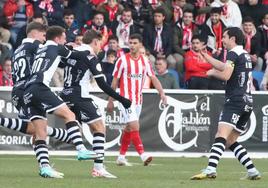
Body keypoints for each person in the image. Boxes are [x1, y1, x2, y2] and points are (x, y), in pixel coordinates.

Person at [23, 26, 97, 178]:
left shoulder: (42, 48)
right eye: (63, 38)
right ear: (57, 39)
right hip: (40, 87)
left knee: (40, 132)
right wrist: (87, 50)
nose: (65, 41)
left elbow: (59, 56)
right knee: (69, 115)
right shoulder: (57, 47)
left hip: (27, 90)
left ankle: (44, 167)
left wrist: (68, 46)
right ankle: (81, 149)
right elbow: (77, 56)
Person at [191, 27, 261, 180]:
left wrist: (212, 73)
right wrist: (207, 57)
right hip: (247, 102)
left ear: (233, 39)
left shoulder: (233, 53)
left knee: (220, 135)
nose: (222, 40)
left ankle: (210, 168)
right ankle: (252, 170)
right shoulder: (243, 54)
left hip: (235, 100)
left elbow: (226, 74)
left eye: (224, 37)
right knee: (231, 140)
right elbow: (225, 66)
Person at [60, 29, 131, 178]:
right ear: (95, 42)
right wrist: (122, 100)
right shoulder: (90, 56)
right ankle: (98, 168)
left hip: (66, 94)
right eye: (100, 44)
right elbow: (103, 85)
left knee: (73, 133)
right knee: (99, 128)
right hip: (80, 95)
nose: (100, 48)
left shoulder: (72, 51)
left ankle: (43, 131)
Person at [1, 22, 71, 145]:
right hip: (29, 88)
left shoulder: (17, 50)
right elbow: (51, 52)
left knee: (34, 129)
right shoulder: (35, 45)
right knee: (41, 129)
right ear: (35, 33)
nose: (45, 39)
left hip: (17, 91)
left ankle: (43, 163)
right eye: (43, 35)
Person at [107, 34, 167, 166]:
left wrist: (162, 94)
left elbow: (153, 78)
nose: (132, 45)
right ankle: (143, 154)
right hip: (125, 99)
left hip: (138, 100)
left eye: (135, 43)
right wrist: (110, 100)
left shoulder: (145, 61)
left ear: (140, 45)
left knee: (129, 128)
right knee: (135, 125)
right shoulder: (122, 60)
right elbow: (115, 81)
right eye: (130, 43)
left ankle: (121, 157)